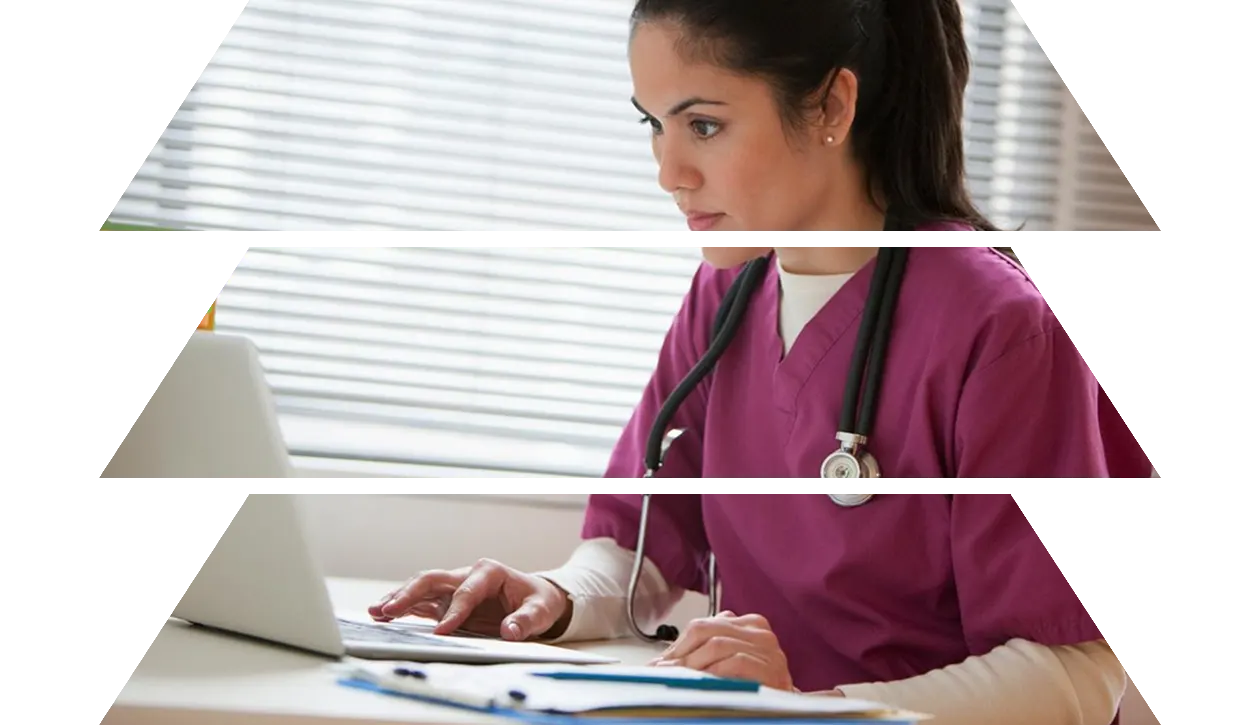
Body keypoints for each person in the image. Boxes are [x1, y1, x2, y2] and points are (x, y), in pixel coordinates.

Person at [371, 0, 1151, 724]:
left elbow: (1073, 671)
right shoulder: (728, 294)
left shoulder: (1000, 329)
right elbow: (643, 540)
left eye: (703, 126)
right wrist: (553, 599)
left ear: (831, 107)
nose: (669, 172)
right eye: (654, 125)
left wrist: (819, 709)